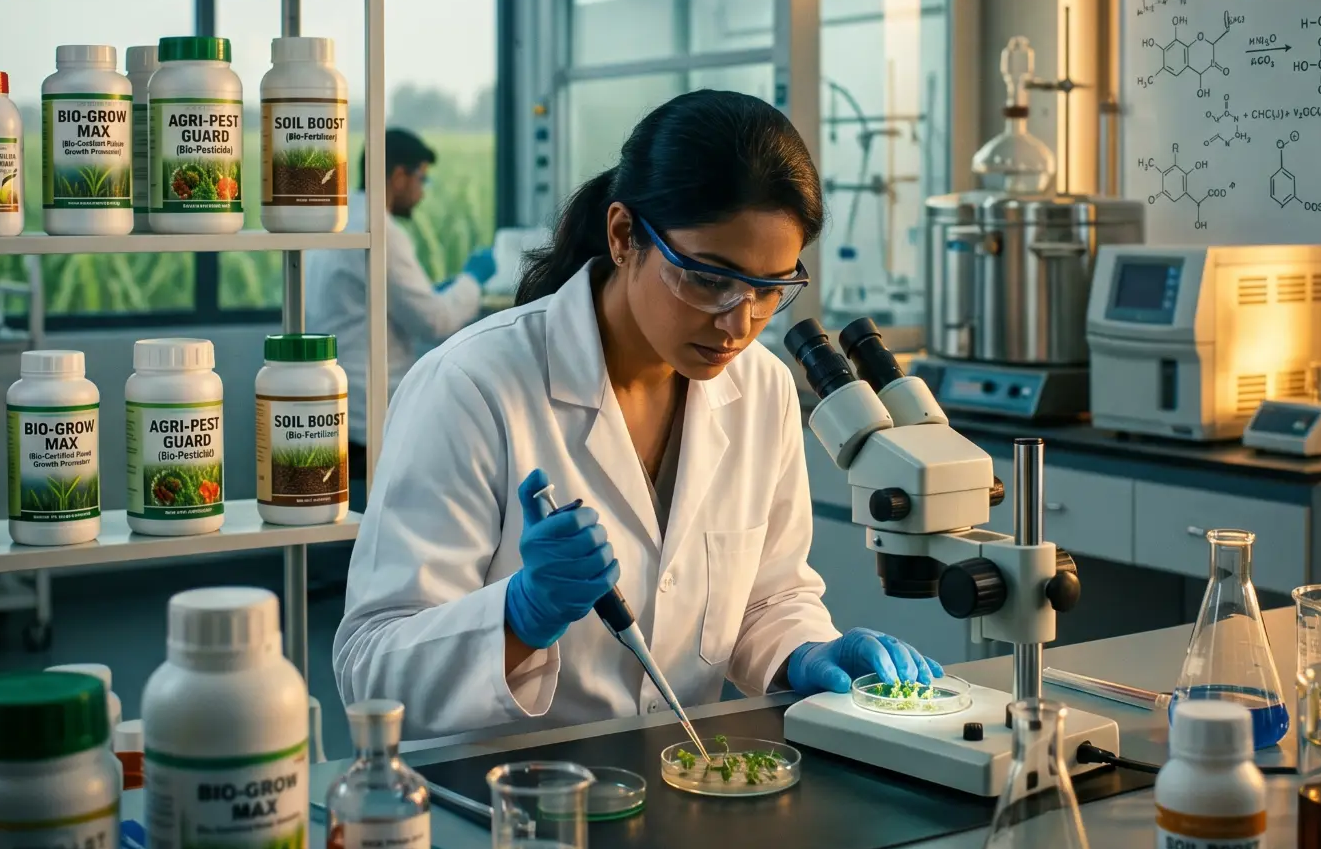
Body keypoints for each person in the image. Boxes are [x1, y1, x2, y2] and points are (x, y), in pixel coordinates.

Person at [335, 91, 941, 737]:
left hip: (686, 775)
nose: (738, 325)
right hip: (506, 786)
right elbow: (371, 669)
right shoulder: (471, 385)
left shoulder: (762, 386)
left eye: (769, 290)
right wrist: (520, 615)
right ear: (625, 236)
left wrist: (804, 651)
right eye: (710, 279)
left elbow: (769, 596)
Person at [308, 127, 496, 497]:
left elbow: (375, 302)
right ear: (398, 176)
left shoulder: (338, 218)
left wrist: (436, 293)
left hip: (339, 402)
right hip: (367, 409)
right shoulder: (379, 228)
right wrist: (472, 279)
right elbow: (435, 322)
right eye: (421, 179)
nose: (422, 192)